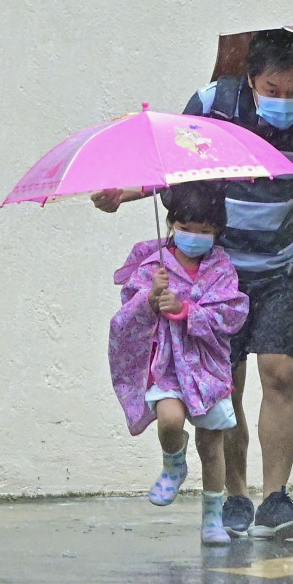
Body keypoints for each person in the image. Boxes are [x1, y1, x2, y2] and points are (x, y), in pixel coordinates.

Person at [94, 29, 293, 541]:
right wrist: (125, 193)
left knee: (279, 375)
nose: (284, 101)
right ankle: (236, 497)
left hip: (283, 264)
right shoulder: (216, 103)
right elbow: (179, 163)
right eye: (272, 90)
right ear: (252, 80)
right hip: (219, 274)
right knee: (225, 385)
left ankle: (275, 500)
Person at [108, 182, 249, 546]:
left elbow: (232, 312)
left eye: (204, 231)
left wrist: (188, 311)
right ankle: (174, 461)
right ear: (172, 223)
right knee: (170, 419)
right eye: (186, 228)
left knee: (212, 445)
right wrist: (151, 299)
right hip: (169, 365)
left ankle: (213, 519)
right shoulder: (153, 265)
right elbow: (128, 311)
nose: (194, 237)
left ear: (217, 231)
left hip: (208, 370)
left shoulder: (221, 267)